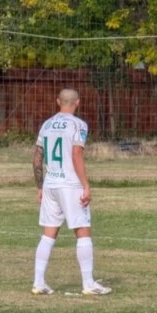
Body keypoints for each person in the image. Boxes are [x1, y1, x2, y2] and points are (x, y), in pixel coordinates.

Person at [31, 89, 111, 296]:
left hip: (51, 184)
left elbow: (37, 158)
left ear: (58, 101)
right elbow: (76, 154)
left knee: (49, 234)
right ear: (77, 103)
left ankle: (38, 282)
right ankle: (88, 283)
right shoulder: (78, 125)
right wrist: (86, 185)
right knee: (83, 231)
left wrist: (40, 186)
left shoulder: (46, 125)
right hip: (70, 184)